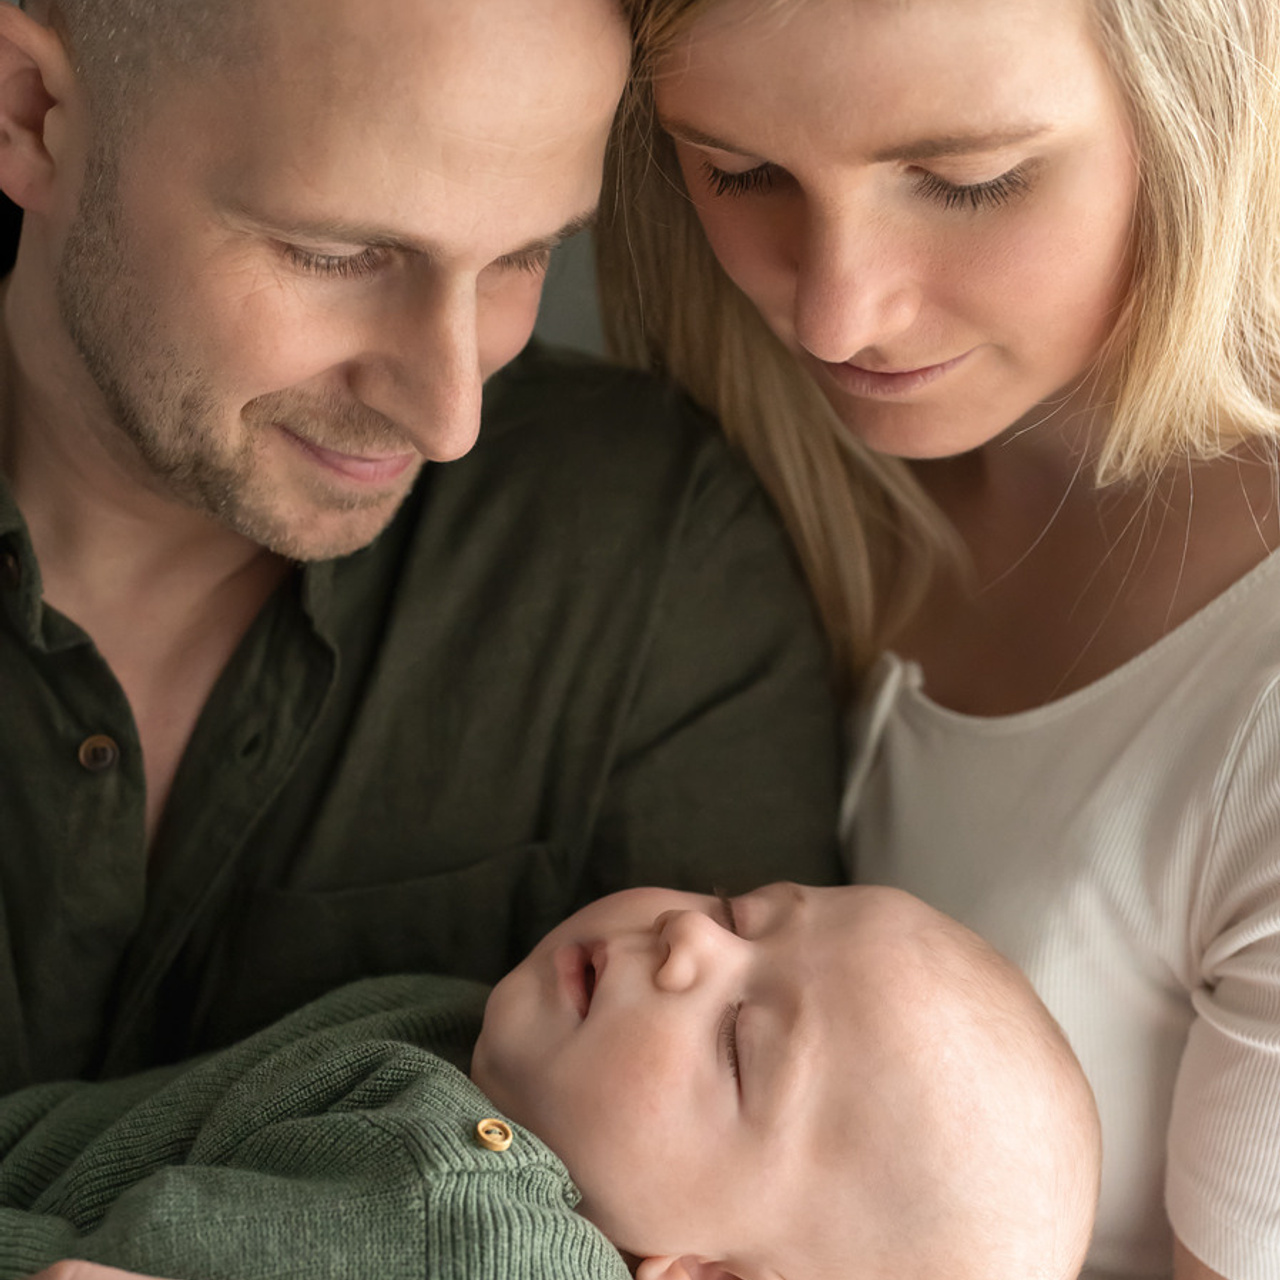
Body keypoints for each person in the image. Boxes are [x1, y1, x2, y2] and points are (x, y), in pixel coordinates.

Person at [0, 0, 845, 1096]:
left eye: (525, 256)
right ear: (30, 110)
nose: (449, 418)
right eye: (338, 254)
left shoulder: (647, 558)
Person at [596, 0, 1280, 1277]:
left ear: (1211, 92)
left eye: (968, 181)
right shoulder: (729, 482)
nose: (833, 315)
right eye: (739, 172)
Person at [0, 882, 1101, 1280]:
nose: (689, 939)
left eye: (738, 1045)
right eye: (739, 910)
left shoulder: (475, 1240)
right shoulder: (508, 1057)